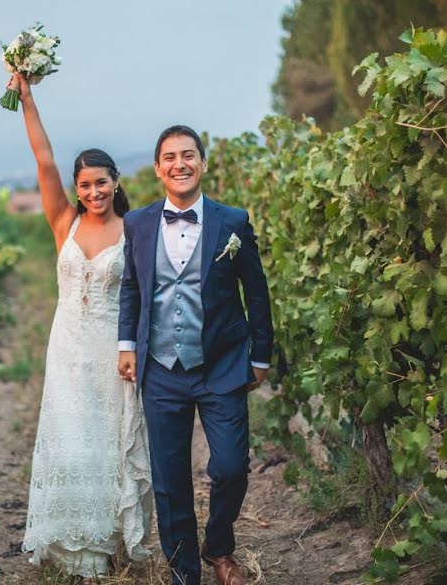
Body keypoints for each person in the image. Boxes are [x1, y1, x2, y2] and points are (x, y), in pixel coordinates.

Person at [9, 73, 153, 582]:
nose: (94, 191)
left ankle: (111, 540)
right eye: (85, 185)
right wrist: (28, 98)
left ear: (116, 182)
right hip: (67, 344)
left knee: (109, 438)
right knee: (70, 435)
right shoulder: (62, 223)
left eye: (101, 182)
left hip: (112, 348)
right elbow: (43, 159)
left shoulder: (134, 229)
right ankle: (73, 547)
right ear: (77, 188)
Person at [117, 125, 273, 585]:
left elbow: (257, 291)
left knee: (230, 466)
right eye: (170, 157)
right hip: (161, 369)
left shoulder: (233, 221)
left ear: (203, 164)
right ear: (158, 168)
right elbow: (132, 287)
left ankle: (219, 545)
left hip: (221, 364)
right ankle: (185, 570)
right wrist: (127, 344)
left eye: (189, 155)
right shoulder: (139, 223)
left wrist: (260, 354)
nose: (179, 164)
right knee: (170, 479)